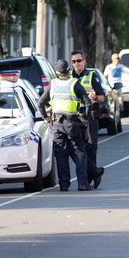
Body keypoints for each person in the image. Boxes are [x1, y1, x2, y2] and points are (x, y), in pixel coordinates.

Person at [38, 60, 92, 191]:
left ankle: (64, 185)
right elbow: (88, 104)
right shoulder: (74, 83)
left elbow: (40, 103)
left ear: (56, 73)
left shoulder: (53, 84)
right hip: (72, 123)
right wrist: (84, 117)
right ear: (68, 70)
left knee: (61, 154)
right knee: (79, 152)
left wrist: (46, 117)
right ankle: (83, 184)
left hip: (56, 123)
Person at [70, 51, 105, 189]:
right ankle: (93, 174)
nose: (76, 64)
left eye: (78, 61)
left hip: (90, 117)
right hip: (76, 117)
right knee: (78, 149)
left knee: (90, 149)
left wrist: (95, 96)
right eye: (73, 62)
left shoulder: (91, 75)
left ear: (84, 61)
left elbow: (102, 98)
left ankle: (90, 180)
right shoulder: (70, 77)